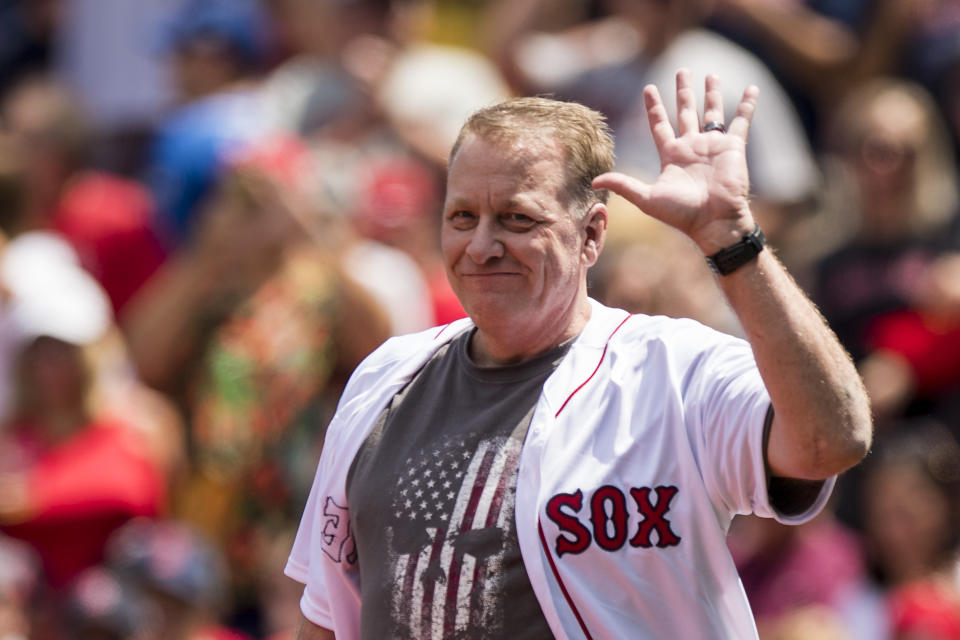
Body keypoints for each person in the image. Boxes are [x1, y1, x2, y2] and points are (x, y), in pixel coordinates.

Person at [285, 69, 872, 639]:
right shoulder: (386, 378)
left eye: (517, 218)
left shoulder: (673, 370)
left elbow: (832, 439)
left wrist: (733, 241)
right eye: (463, 216)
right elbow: (326, 615)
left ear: (591, 234)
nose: (482, 245)